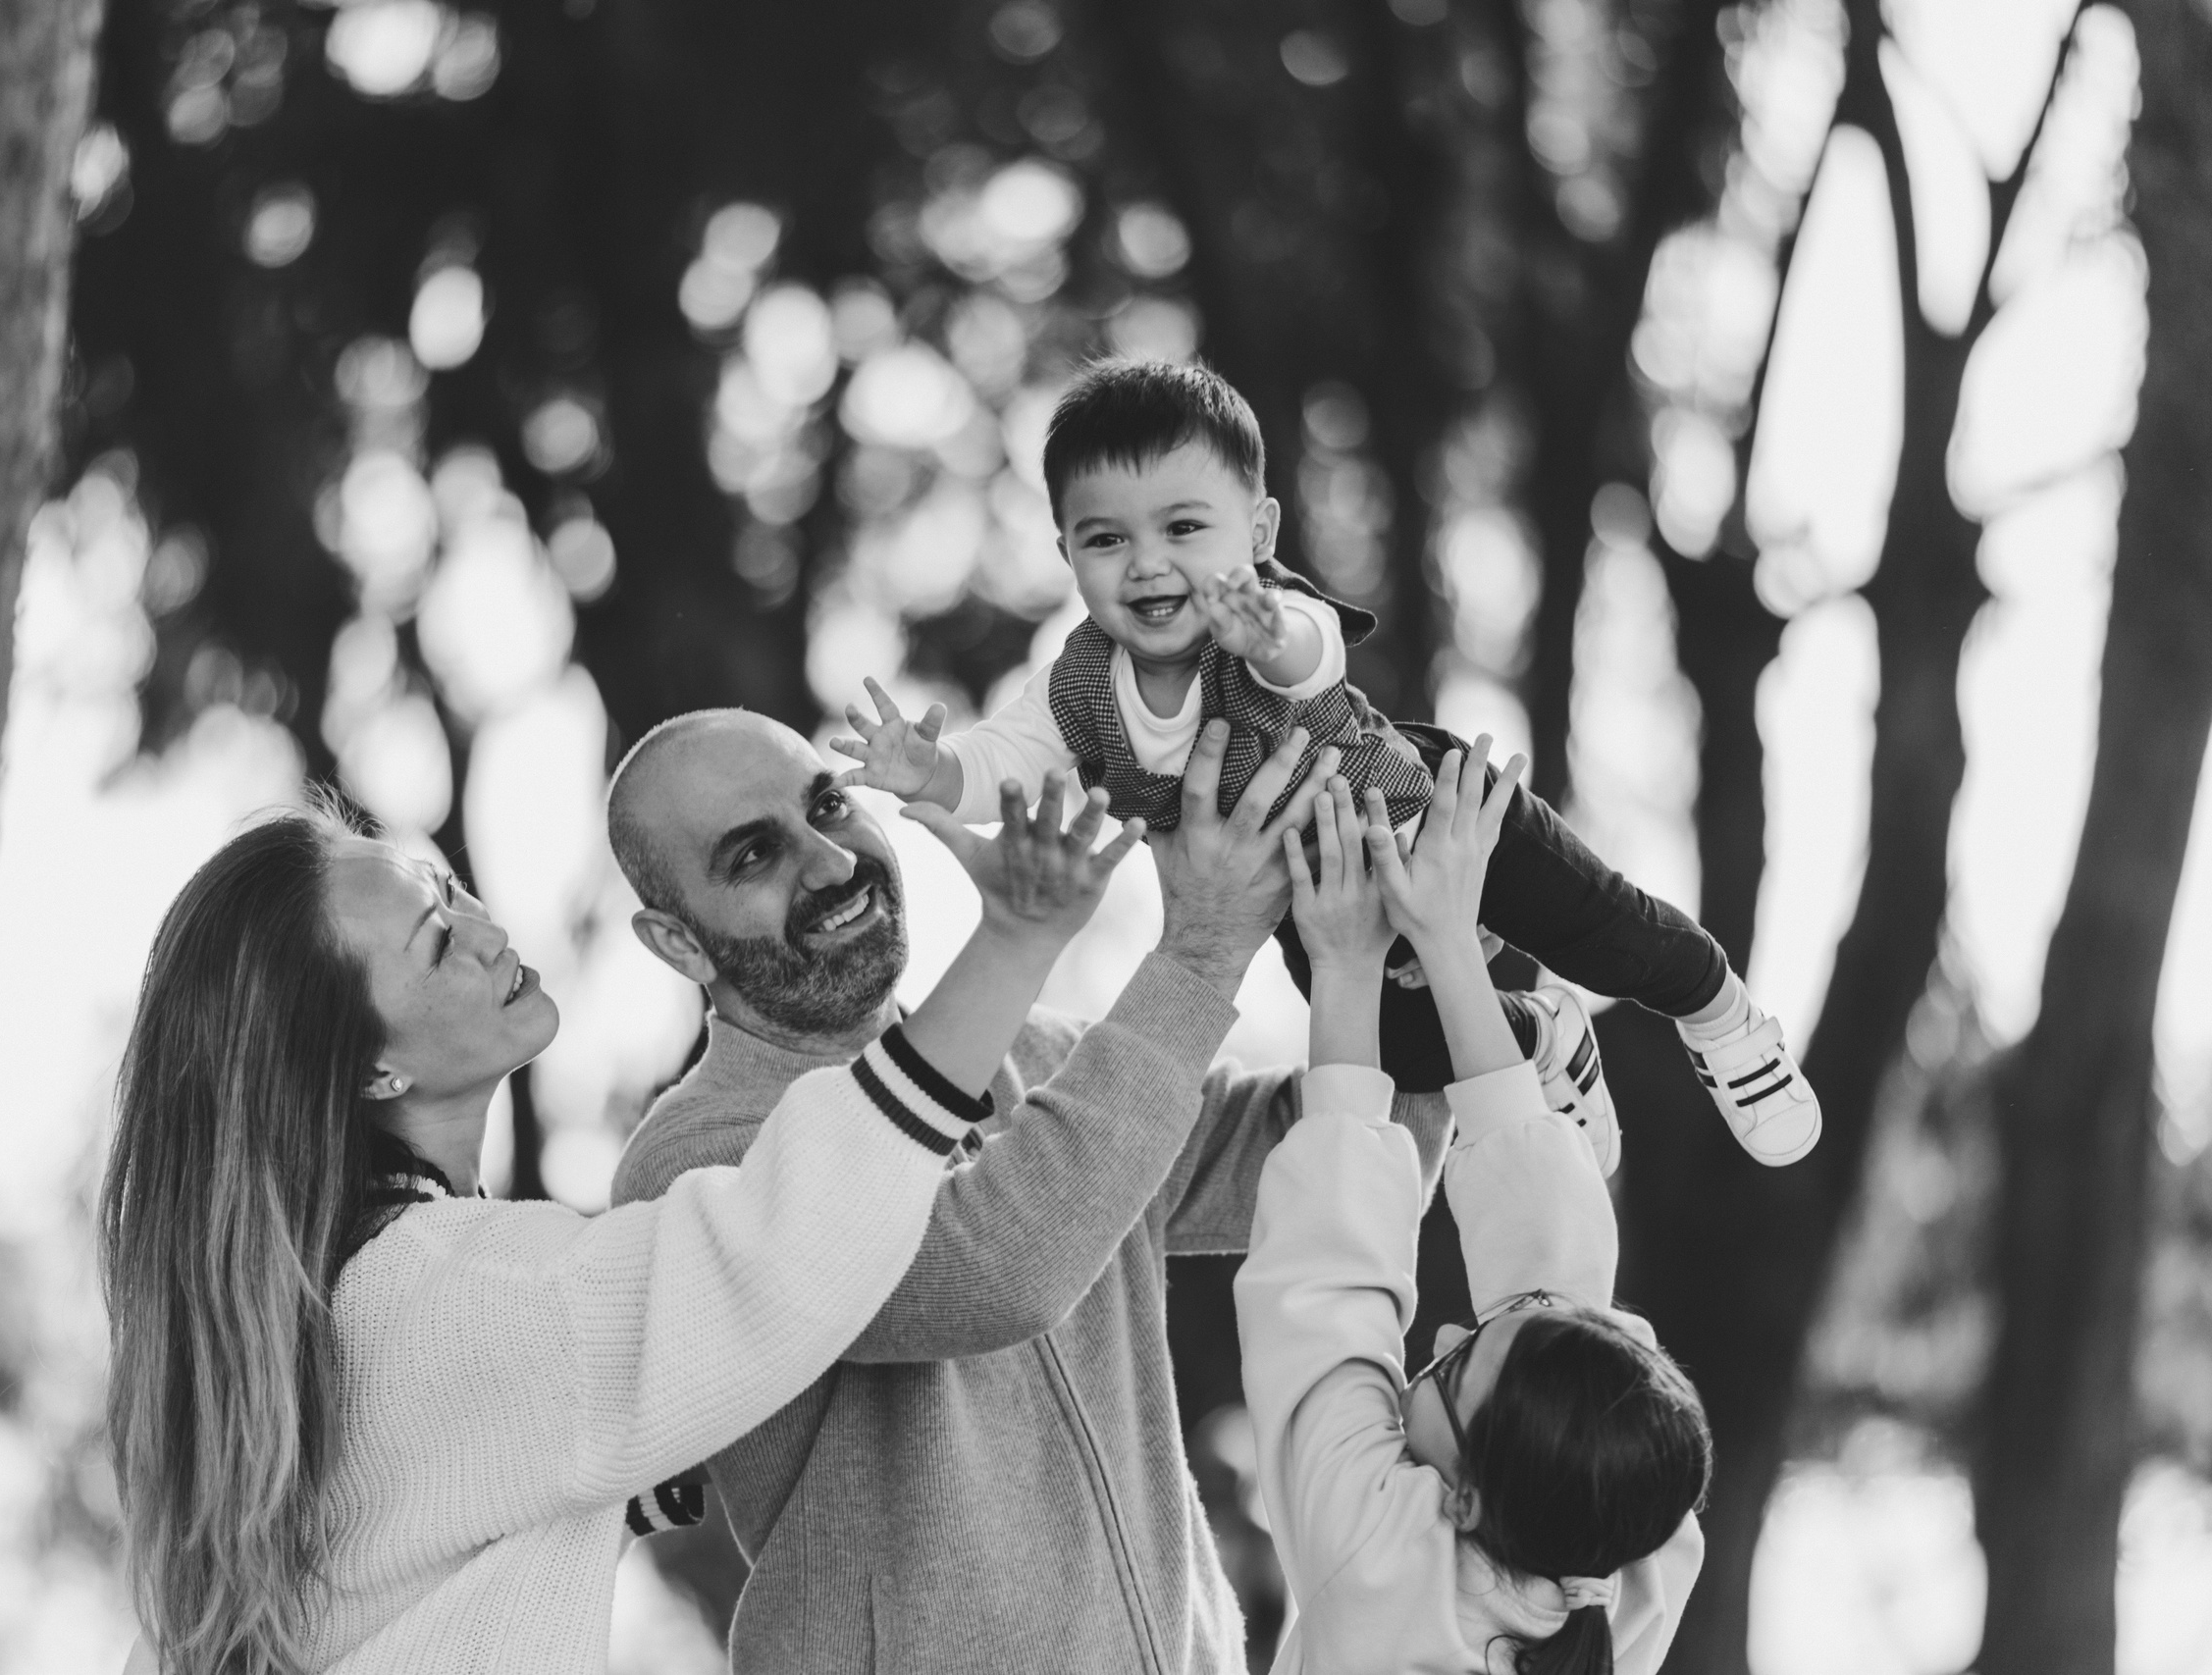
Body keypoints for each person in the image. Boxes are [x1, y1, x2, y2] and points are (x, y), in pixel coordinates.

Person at [100, 785, 1139, 1675]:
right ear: (372, 1070)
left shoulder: (360, 1308)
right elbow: (776, 1254)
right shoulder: (451, 1298)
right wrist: (1015, 939)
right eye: (436, 942)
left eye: (446, 889)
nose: (486, 928)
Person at [606, 709, 1441, 1675]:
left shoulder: (1043, 1055)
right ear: (677, 944)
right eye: (753, 855)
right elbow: (992, 1270)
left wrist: (1423, 951)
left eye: (828, 804)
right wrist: (1200, 955)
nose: (832, 863)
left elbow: (1345, 1169)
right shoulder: (691, 1165)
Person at [832, 357, 1818, 1172]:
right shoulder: (1080, 683)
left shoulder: (1269, 611)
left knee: (1603, 929)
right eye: (1106, 539)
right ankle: (1538, 1038)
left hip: (1434, 812)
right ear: (1067, 553)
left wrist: (1263, 630)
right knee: (1398, 1057)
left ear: (1255, 536)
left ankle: (1719, 1009)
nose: (1146, 564)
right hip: (1323, 904)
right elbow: (1006, 758)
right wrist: (929, 770)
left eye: (1183, 529)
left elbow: (1311, 655)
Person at [1236, 739, 1712, 1674]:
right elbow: (1556, 1308)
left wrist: (1344, 963)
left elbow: (1327, 1287)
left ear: (1463, 1503)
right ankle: (1542, 1040)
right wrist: (1445, 942)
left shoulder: (1378, 1564)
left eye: (1449, 1370)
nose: (1447, 1329)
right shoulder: (1621, 1561)